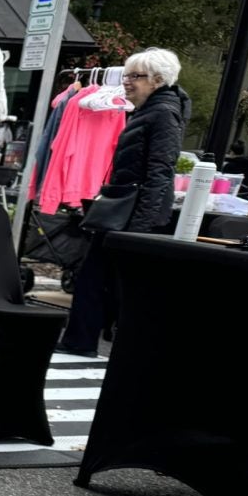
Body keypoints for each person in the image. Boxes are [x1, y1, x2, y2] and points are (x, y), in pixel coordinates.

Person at [56, 48, 188, 357]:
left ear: (157, 80)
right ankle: (86, 340)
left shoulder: (162, 113)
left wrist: (140, 225)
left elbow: (160, 170)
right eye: (126, 75)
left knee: (97, 276)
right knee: (103, 277)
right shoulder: (152, 110)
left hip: (130, 211)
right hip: (128, 209)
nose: (126, 82)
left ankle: (83, 340)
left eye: (135, 76)